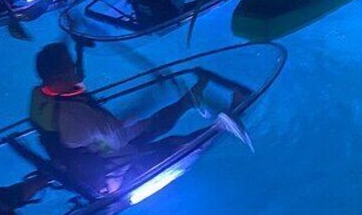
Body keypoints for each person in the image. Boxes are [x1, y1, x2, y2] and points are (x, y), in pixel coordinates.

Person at [29, 42, 245, 195]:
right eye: (72, 65)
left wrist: (79, 48)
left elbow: (77, 82)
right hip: (113, 172)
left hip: (96, 149)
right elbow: (119, 137)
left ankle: (188, 101)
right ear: (59, 76)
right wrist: (142, 122)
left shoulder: (45, 97)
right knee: (175, 143)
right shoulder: (77, 119)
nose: (76, 68)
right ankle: (225, 125)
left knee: (151, 125)